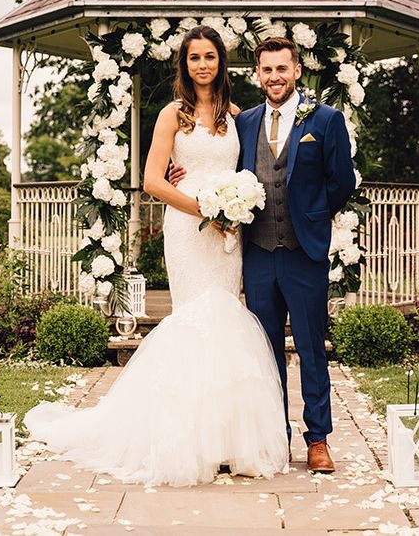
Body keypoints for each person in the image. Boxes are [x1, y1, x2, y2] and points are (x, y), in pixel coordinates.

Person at [24, 26, 289, 487]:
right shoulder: (172, 115)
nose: (202, 65)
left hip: (227, 235)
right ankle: (188, 441)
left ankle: (227, 439)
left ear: (221, 63)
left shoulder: (236, 115)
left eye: (210, 56)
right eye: (194, 58)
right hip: (189, 230)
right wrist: (207, 207)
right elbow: (152, 181)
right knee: (196, 320)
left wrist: (235, 206)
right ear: (183, 65)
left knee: (227, 319)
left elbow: (249, 169)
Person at [170, 36, 356, 472]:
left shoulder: (325, 119)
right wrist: (170, 173)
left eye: (282, 69)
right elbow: (208, 160)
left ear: (297, 71)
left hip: (302, 251)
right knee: (264, 351)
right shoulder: (244, 120)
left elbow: (342, 180)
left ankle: (318, 440)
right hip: (255, 253)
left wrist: (312, 214)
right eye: (266, 70)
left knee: (311, 348)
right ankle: (275, 438)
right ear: (257, 75)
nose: (274, 77)